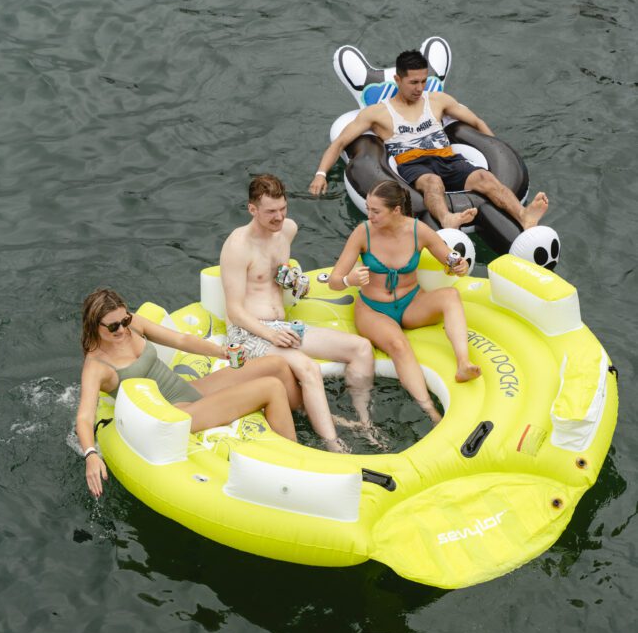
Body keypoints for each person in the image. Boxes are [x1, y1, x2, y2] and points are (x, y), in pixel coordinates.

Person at [76, 288, 300, 497]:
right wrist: (90, 454)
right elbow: (85, 416)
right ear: (95, 326)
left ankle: (303, 415)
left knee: (276, 365)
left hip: (188, 390)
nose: (122, 329)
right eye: (114, 326)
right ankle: (298, 463)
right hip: (180, 412)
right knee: (271, 387)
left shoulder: (133, 325)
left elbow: (181, 340)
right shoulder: (96, 366)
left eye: (124, 320)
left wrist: (221, 352)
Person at [309, 49, 549, 230]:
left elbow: (476, 122)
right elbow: (339, 143)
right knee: (433, 183)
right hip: (413, 165)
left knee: (485, 177)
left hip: (448, 159)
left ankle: (524, 215)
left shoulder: (437, 100)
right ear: (398, 80)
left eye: (423, 81)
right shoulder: (378, 113)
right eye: (413, 82)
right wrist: (321, 175)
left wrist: (496, 149)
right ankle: (447, 220)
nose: (419, 87)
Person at [220, 174, 375, 452]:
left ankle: (365, 420)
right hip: (249, 332)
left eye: (282, 209)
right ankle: (334, 446)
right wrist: (270, 334)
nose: (278, 218)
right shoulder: (237, 246)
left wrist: (293, 281)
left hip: (281, 325)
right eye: (270, 212)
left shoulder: (288, 229)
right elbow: (234, 309)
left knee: (361, 348)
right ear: (252, 209)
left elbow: (282, 278)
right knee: (308, 368)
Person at [328, 180, 481, 424]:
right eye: (368, 208)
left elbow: (450, 259)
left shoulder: (418, 231)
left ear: (396, 210)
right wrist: (349, 279)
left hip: (411, 303)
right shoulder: (363, 232)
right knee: (399, 345)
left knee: (451, 296)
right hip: (374, 309)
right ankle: (430, 411)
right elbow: (334, 281)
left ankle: (463, 362)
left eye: (375, 211)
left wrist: (459, 265)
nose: (369, 215)